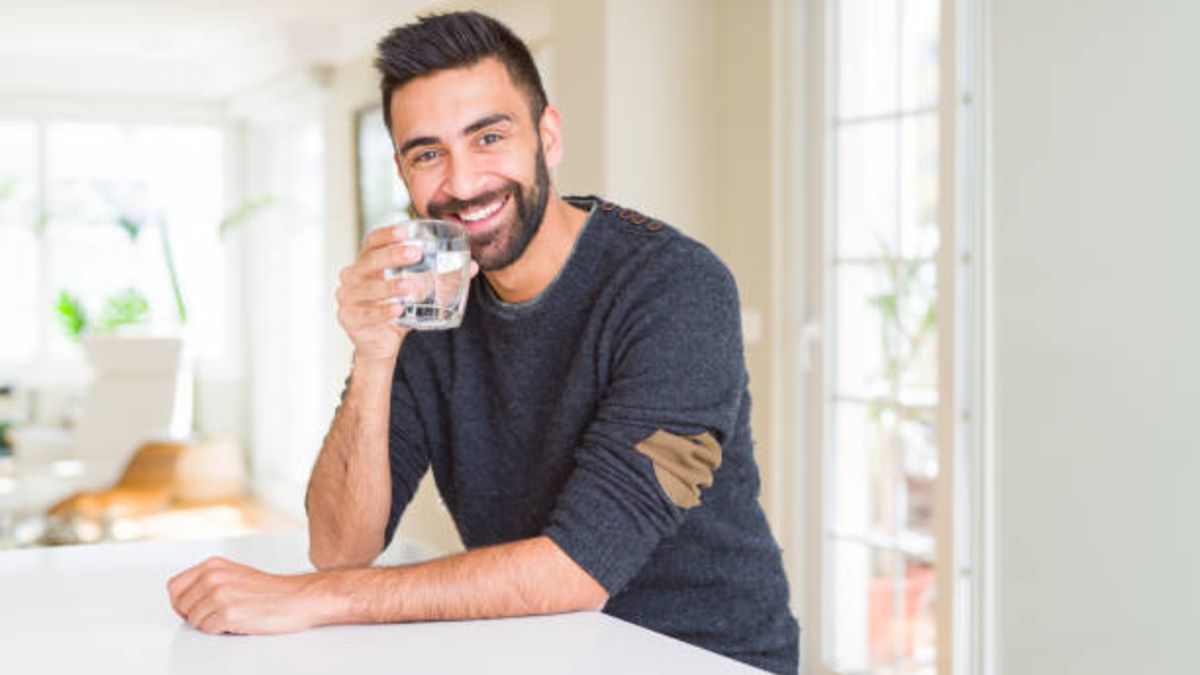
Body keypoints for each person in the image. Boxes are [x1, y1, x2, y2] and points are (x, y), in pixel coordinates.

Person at [167, 10, 799, 674]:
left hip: (706, 655)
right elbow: (339, 546)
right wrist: (374, 355)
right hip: (530, 646)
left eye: (488, 137)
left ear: (546, 137)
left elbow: (577, 570)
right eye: (428, 153)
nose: (462, 184)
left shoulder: (674, 289)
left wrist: (313, 598)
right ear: (402, 170)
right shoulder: (430, 295)